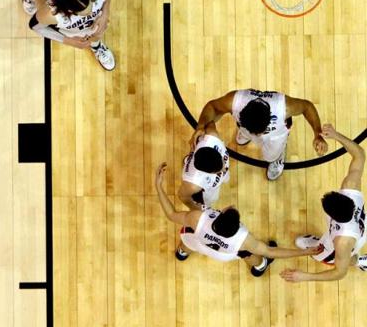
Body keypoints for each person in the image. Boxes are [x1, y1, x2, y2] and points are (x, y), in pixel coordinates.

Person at [156, 163, 320, 276]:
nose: (231, 205)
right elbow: (271, 251)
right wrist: (304, 252)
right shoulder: (243, 240)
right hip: (223, 255)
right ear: (237, 227)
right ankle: (260, 266)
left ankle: (182, 253)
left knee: (188, 237)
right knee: (248, 254)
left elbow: (171, 214)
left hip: (198, 242)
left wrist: (159, 186)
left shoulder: (197, 218)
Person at [281, 124, 366, 282]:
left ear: (333, 217)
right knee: (337, 250)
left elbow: (339, 272)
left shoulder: (342, 241)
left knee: (327, 257)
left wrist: (304, 276)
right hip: (357, 230)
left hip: (349, 243)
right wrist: (336, 135)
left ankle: (359, 261)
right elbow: (360, 155)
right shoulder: (350, 189)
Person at [189, 89, 328, 180]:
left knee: (270, 156)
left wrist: (317, 133)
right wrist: (201, 126)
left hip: (275, 136)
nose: (258, 134)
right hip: (245, 127)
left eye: (258, 131)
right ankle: (245, 133)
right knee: (244, 132)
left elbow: (307, 107)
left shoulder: (283, 107)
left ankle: (277, 158)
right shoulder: (235, 101)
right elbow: (212, 107)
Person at [21, 0, 115, 71]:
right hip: (70, 31)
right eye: (86, 13)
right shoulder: (53, 14)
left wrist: (105, 13)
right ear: (70, 11)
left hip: (89, 27)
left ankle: (97, 46)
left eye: (91, 8)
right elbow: (34, 26)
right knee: (44, 7)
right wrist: (68, 41)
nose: (92, 13)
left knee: (97, 30)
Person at [178, 121, 230, 210]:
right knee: (211, 200)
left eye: (223, 162)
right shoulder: (193, 184)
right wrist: (198, 210)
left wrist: (200, 128)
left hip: (197, 162)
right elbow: (183, 196)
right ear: (208, 172)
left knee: (225, 176)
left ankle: (188, 160)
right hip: (205, 193)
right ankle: (188, 160)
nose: (224, 168)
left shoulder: (212, 136)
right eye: (219, 170)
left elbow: (210, 122)